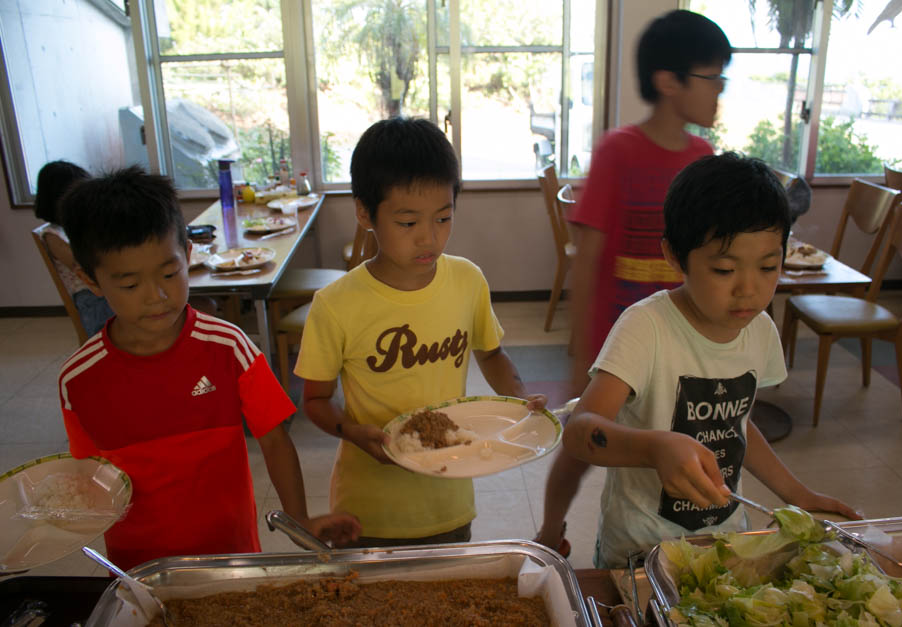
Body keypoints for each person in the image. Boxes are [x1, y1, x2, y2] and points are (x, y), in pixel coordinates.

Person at [548, 153, 860, 569]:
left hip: (726, 544)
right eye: (724, 269)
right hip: (639, 552)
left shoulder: (759, 330)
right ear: (675, 256)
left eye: (769, 266)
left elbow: (738, 425)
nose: (748, 290)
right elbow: (580, 433)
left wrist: (797, 494)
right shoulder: (647, 327)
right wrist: (655, 447)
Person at [56, 166, 360, 570]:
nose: (157, 296)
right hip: (139, 565)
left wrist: (299, 520)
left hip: (230, 555)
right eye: (129, 285)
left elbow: (274, 440)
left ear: (189, 254)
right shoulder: (79, 381)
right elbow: (89, 479)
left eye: (170, 272)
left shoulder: (228, 347)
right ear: (90, 281)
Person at [294, 117, 546, 547]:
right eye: (408, 223)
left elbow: (491, 354)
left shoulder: (467, 281)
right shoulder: (337, 304)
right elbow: (315, 401)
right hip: (368, 510)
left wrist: (519, 400)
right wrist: (355, 432)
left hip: (449, 498)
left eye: (444, 218)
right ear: (364, 212)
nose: (429, 238)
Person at [536, 9, 732, 557]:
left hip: (678, 343)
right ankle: (551, 530)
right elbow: (589, 259)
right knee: (580, 449)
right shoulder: (619, 151)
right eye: (712, 78)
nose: (719, 92)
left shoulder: (703, 158)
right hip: (617, 344)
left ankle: (669, 545)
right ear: (670, 82)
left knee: (666, 445)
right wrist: (583, 356)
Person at [33, 160, 114, 337]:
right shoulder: (52, 235)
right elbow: (82, 264)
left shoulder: (77, 227)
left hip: (106, 288)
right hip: (91, 296)